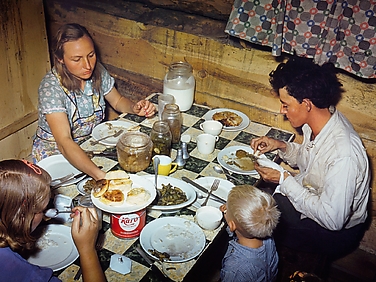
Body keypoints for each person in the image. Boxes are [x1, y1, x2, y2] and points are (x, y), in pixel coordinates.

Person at [250, 57, 370, 259]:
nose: (282, 110)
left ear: (306, 104)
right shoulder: (321, 121)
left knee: (252, 217)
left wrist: (284, 180)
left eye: (285, 104)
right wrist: (281, 146)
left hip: (334, 233)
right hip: (315, 200)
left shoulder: (344, 154)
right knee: (256, 197)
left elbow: (333, 220)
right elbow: (310, 162)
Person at [32, 23, 156, 180]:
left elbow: (117, 101)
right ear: (60, 59)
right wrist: (99, 175)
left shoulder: (97, 71)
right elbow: (64, 142)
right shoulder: (51, 88)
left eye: (91, 55)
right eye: (76, 59)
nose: (87, 65)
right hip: (55, 155)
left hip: (88, 145)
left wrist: (135, 107)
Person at [0, 159, 106, 282]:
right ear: (21, 219)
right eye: (42, 210)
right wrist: (87, 250)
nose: (46, 215)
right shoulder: (12, 267)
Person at [219, 185, 280, 282]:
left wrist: (229, 216)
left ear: (232, 225)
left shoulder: (235, 267)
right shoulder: (267, 236)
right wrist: (230, 215)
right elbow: (240, 229)